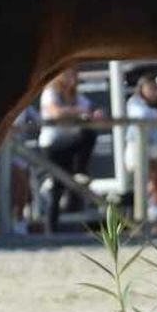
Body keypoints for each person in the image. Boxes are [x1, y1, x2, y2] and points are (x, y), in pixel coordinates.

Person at [38, 68, 101, 233]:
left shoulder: (76, 96)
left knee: (89, 134)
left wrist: (96, 113)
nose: (71, 78)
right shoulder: (50, 91)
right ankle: (51, 231)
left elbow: (91, 108)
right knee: (56, 187)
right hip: (53, 146)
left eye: (73, 75)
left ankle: (81, 170)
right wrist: (80, 113)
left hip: (70, 144)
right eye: (67, 74)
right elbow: (55, 112)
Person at [124, 72, 157, 221]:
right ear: (142, 89)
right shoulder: (134, 102)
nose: (154, 91)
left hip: (155, 149)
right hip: (137, 148)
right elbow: (142, 116)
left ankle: (156, 212)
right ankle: (142, 213)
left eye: (156, 88)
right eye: (150, 88)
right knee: (149, 179)